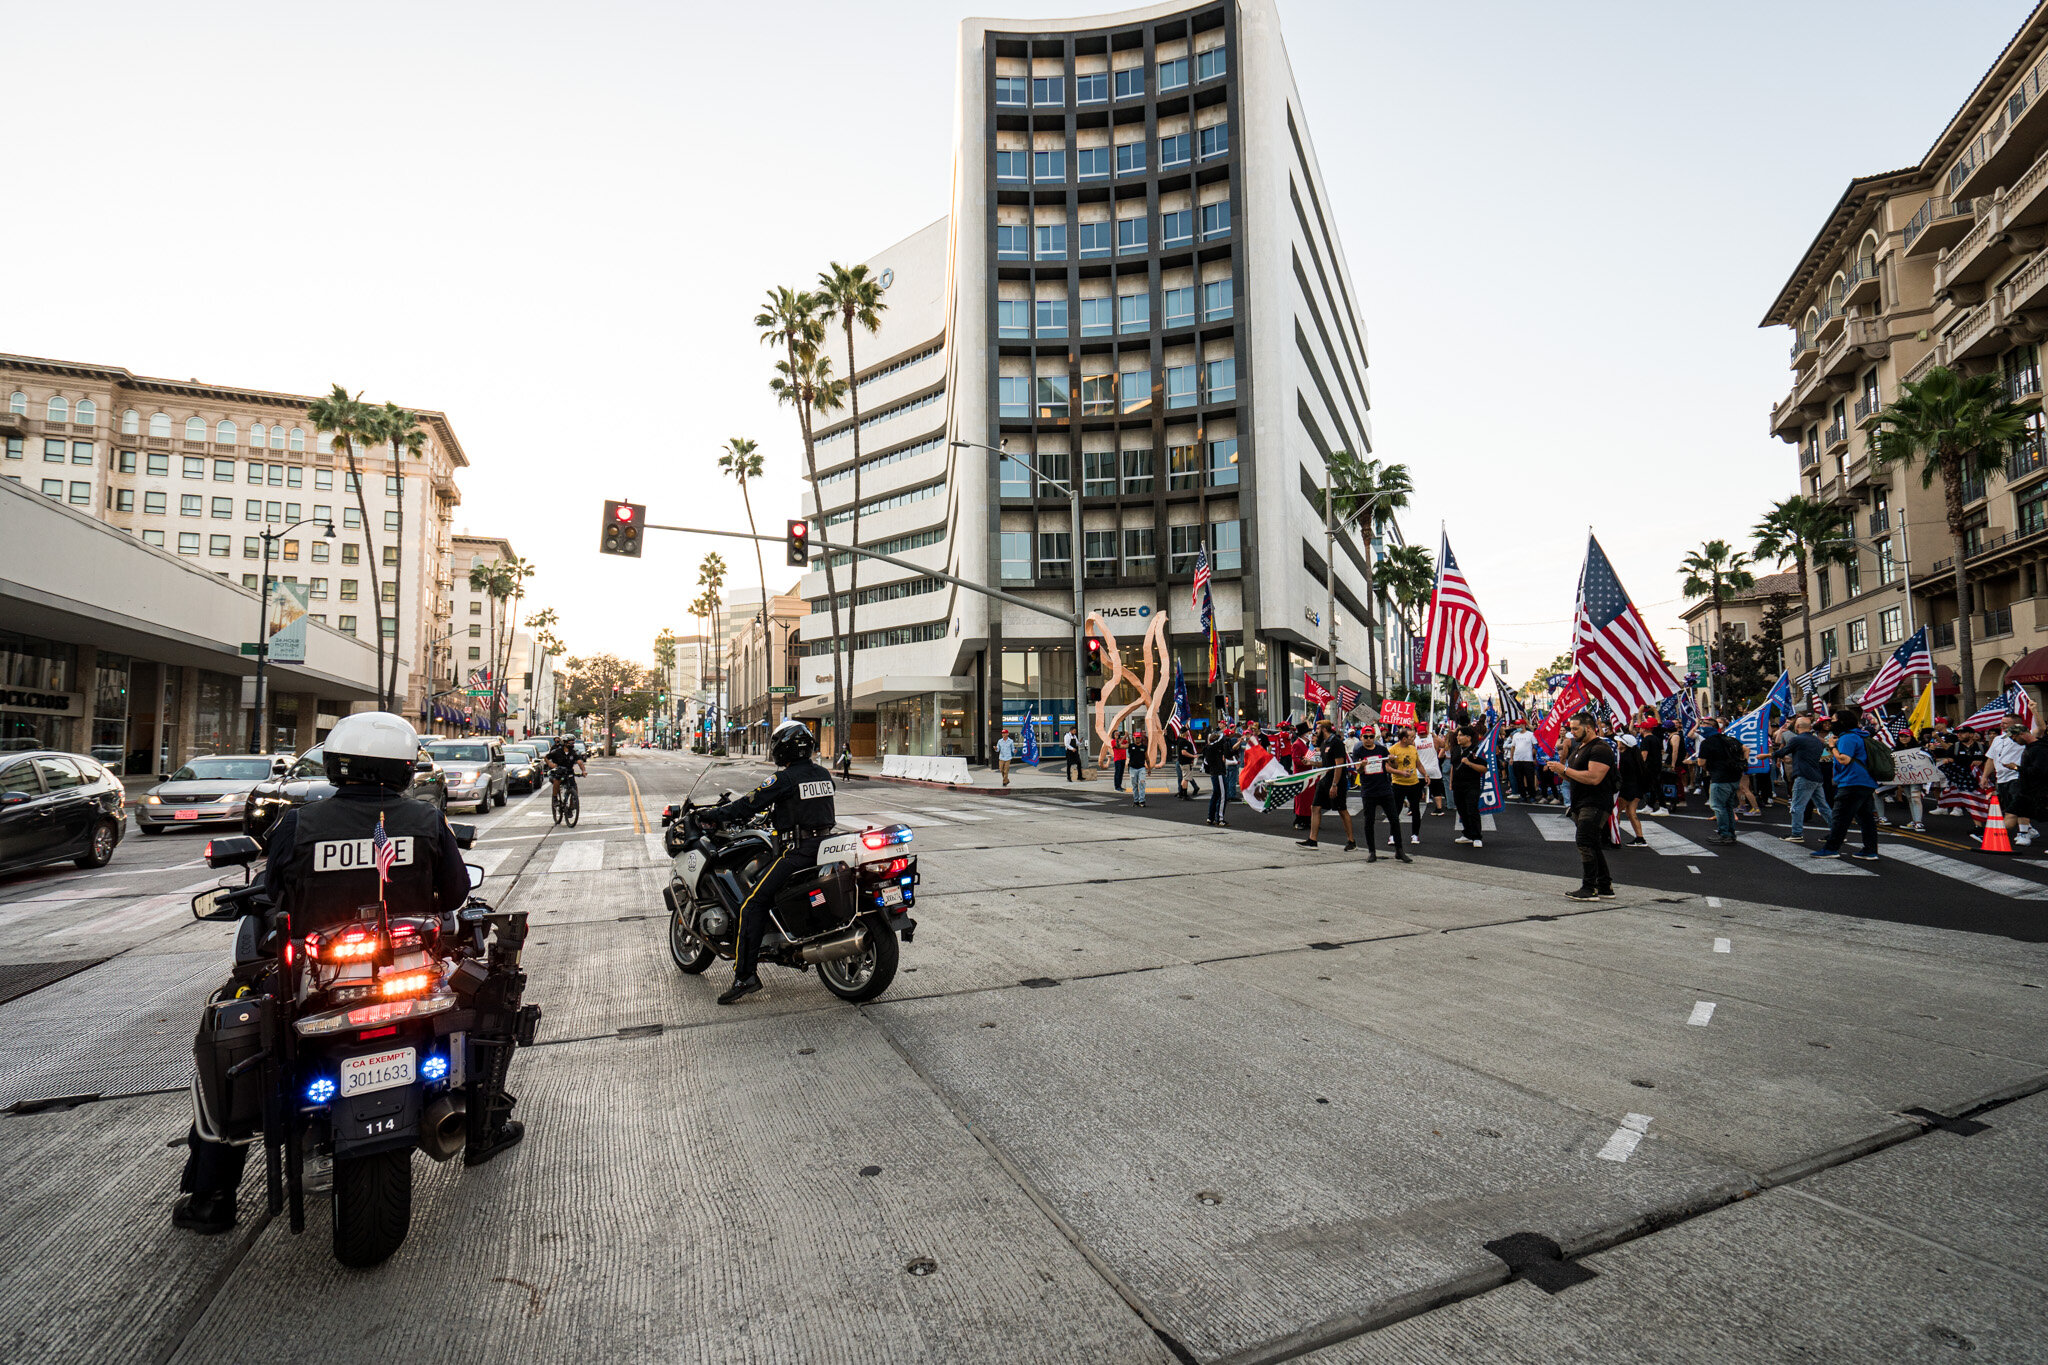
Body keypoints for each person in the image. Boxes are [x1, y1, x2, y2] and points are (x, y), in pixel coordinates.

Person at [175, 713, 487, 1236]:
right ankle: (481, 1119)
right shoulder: (427, 821)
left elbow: (274, 893)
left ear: (338, 766)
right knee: (473, 1000)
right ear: (406, 769)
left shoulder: (301, 823)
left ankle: (212, 1196)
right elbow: (456, 895)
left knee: (232, 1031)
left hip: (315, 983)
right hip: (406, 978)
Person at [703, 718, 839, 1004]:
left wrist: (712, 816)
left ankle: (745, 976)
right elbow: (806, 807)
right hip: (827, 844)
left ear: (782, 749)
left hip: (800, 852)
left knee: (752, 904)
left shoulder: (784, 778)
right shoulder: (823, 774)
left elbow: (749, 803)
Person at [1547, 710, 1616, 901]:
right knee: (1592, 843)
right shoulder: (1579, 747)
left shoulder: (1600, 748)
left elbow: (1594, 778)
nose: (1572, 732)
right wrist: (1559, 770)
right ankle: (1604, 886)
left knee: (1584, 841)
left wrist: (1565, 769)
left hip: (1595, 802)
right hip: (1581, 802)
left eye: (1575, 729)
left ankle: (1589, 888)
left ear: (1588, 728)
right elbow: (1573, 775)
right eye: (1571, 729)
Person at [1814, 703, 1879, 861]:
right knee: (1865, 818)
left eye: (1834, 720)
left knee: (1840, 817)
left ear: (1842, 722)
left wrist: (1832, 747)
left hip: (1851, 782)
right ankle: (1870, 850)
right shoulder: (1860, 735)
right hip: (1865, 782)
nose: (1831, 723)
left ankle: (1831, 848)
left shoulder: (1847, 738)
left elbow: (1844, 759)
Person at [1352, 725, 1410, 863]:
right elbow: (1358, 771)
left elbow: (1394, 766)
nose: (1368, 739)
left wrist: (1391, 759)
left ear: (1374, 737)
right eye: (1365, 737)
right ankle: (1372, 851)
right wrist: (1362, 765)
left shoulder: (1382, 749)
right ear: (1361, 737)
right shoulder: (1358, 751)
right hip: (1368, 791)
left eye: (1371, 737)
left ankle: (1399, 850)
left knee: (1394, 819)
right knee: (1369, 821)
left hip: (1384, 789)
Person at [1774, 715, 1834, 844]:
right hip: (1817, 776)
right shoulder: (1818, 741)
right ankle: (1837, 832)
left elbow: (1783, 751)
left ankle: (1796, 833)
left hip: (1804, 776)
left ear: (1797, 727)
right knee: (1823, 807)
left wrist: (1768, 755)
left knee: (1797, 806)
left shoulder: (1797, 739)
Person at [1298, 720, 1355, 850]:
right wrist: (1310, 762)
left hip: (1336, 782)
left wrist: (1335, 784)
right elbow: (1325, 764)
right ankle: (1312, 840)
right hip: (1324, 780)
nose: (1315, 732)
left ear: (1324, 729)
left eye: (1317, 729)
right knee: (1315, 807)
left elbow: (1339, 766)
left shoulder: (1336, 743)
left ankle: (1351, 841)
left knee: (1341, 810)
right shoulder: (1324, 743)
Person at [1984, 719, 2034, 849]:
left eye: (2005, 723)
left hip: (2016, 776)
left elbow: (2039, 729)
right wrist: (1984, 776)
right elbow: (1991, 758)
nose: (2002, 725)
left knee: (2016, 807)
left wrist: (2033, 711)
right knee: (2008, 808)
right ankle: (2029, 829)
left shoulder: (2022, 739)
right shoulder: (1997, 739)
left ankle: (2023, 833)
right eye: (2001, 722)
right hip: (2001, 779)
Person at [1695, 717, 1747, 846]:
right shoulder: (1730, 739)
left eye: (1704, 724)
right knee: (1728, 806)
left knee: (1718, 807)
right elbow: (1746, 749)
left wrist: (1706, 767)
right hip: (1734, 777)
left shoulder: (1707, 743)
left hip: (1720, 778)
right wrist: (1743, 763)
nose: (1702, 726)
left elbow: (1701, 762)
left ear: (1711, 726)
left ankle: (1724, 834)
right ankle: (1731, 833)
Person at [1449, 723, 1487, 847]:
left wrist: (1469, 763)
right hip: (1457, 784)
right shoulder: (1455, 749)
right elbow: (1453, 767)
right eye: (1457, 735)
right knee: (1462, 810)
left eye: (1460, 735)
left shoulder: (1476, 750)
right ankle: (1467, 834)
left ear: (1468, 737)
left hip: (1471, 784)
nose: (1457, 738)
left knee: (1472, 809)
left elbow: (1483, 769)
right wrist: (1451, 782)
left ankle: (1477, 836)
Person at [1387, 726, 1425, 844]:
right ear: (1404, 739)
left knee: (1415, 810)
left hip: (1414, 783)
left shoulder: (1413, 749)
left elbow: (1418, 763)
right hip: (1398, 783)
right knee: (1396, 810)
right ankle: (1392, 835)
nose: (1413, 739)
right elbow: (1387, 767)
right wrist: (1400, 772)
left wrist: (1425, 774)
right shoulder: (1393, 749)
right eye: (1411, 737)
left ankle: (1415, 835)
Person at [1614, 733, 1647, 846]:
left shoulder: (1624, 758)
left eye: (1619, 741)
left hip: (1626, 789)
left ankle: (1615, 837)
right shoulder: (1634, 756)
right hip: (1636, 788)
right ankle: (1640, 837)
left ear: (1624, 744)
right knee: (1631, 813)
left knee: (1616, 812)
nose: (1617, 743)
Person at [1204, 723, 1239, 826]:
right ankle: (1220, 818)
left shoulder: (1211, 749)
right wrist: (1224, 735)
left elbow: (1228, 753)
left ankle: (1210, 817)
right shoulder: (1212, 748)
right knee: (1223, 795)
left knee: (1215, 795)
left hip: (1215, 773)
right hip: (1218, 773)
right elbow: (1221, 742)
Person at [1509, 723, 1539, 802]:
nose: (1518, 727)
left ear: (1524, 725)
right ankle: (1523, 796)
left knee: (1530, 779)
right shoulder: (1515, 735)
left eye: (1520, 725)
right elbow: (1513, 747)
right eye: (1517, 725)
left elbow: (1535, 746)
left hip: (1528, 760)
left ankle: (1532, 795)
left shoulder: (1530, 734)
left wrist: (1534, 757)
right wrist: (1511, 758)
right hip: (1517, 760)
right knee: (1519, 779)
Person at [1129, 727, 1150, 806]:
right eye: (1136, 738)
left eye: (1138, 738)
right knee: (1134, 785)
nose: (1137, 739)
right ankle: (1136, 800)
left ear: (1140, 738)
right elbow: (1120, 745)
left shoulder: (1144, 747)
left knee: (1142, 783)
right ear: (1134, 738)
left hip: (1141, 768)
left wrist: (1149, 768)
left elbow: (1147, 758)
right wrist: (1126, 736)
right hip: (1133, 768)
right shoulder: (1131, 746)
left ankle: (1142, 800)